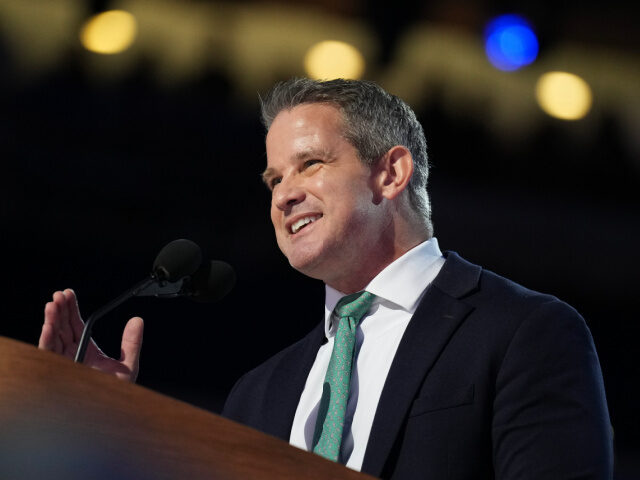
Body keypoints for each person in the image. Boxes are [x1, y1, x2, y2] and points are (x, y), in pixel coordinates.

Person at [39, 78, 613, 479]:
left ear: (390, 173)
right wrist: (106, 420)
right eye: (272, 180)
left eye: (310, 164)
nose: (283, 193)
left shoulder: (524, 333)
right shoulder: (258, 394)